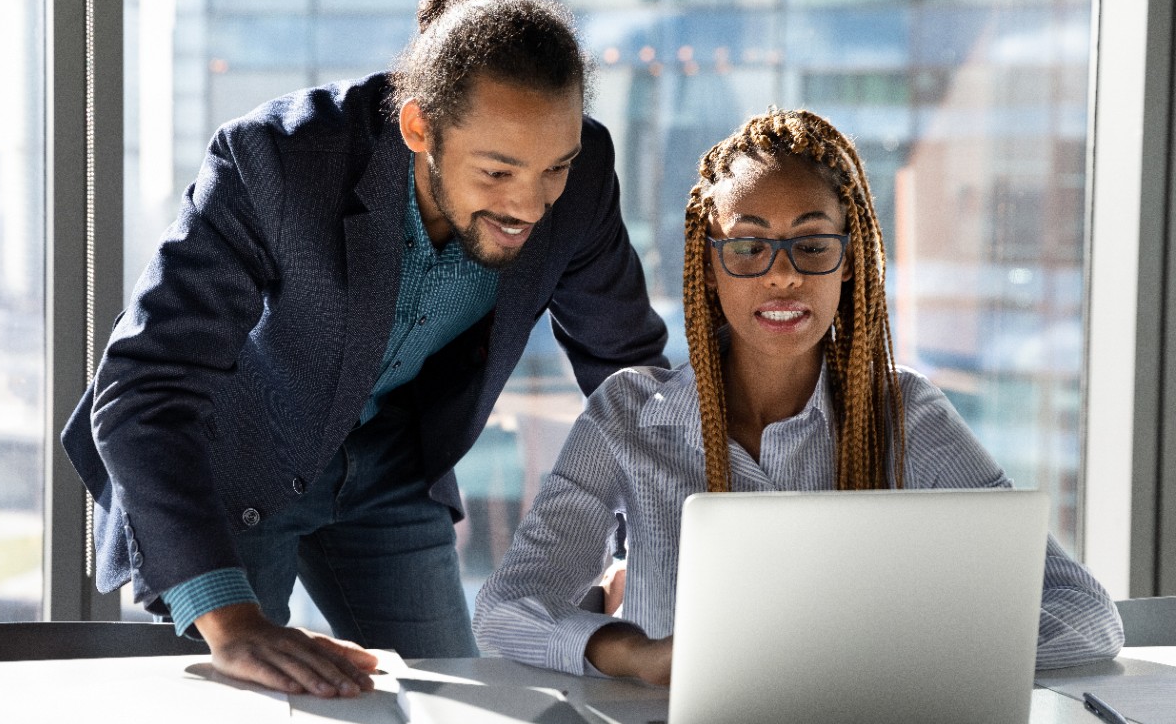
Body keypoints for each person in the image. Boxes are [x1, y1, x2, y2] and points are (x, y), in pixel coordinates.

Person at [60, 0, 669, 698]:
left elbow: (631, 375)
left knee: (455, 708)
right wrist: (232, 623)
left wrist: (645, 548)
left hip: (390, 464)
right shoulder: (275, 162)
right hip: (229, 463)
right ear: (419, 126)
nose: (531, 206)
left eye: (554, 168)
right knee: (244, 721)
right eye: (499, 172)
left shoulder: (582, 179)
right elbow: (140, 386)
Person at [472, 107, 1124, 683]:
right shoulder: (628, 414)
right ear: (710, 260)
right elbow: (507, 610)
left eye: (812, 244)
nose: (783, 273)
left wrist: (911, 664)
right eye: (750, 246)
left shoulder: (907, 417)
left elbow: (1085, 615)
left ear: (850, 258)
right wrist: (635, 653)